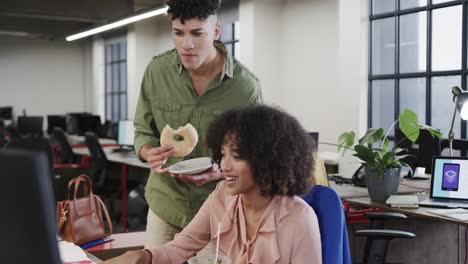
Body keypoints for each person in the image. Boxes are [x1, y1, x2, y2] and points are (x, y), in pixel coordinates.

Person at [104, 105, 322, 264]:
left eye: (236, 156)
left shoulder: (299, 219)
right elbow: (182, 248)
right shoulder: (222, 197)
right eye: (222, 154)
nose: (224, 166)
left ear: (267, 159)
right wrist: (141, 256)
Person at [133, 0, 262, 247]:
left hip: (220, 209)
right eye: (178, 33)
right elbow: (142, 130)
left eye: (197, 33)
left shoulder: (246, 88)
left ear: (215, 31)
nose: (187, 44)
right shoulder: (156, 72)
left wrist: (223, 171)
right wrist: (148, 152)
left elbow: (255, 154)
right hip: (166, 204)